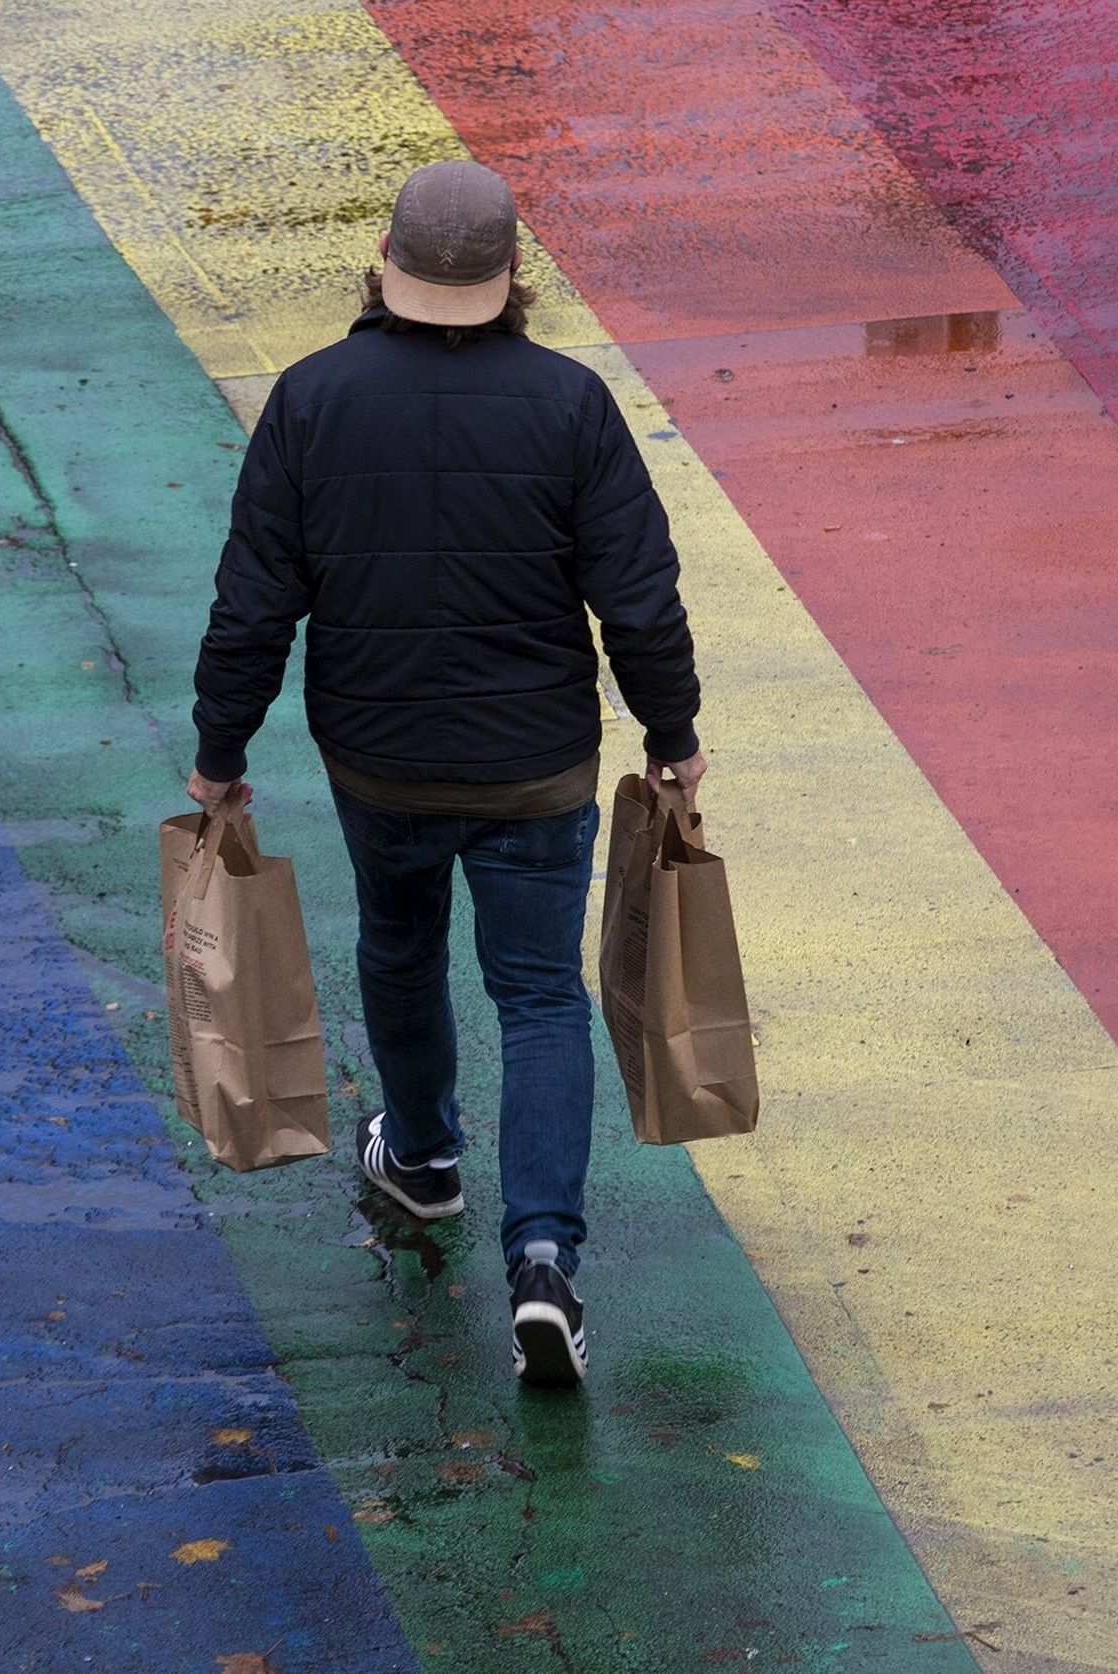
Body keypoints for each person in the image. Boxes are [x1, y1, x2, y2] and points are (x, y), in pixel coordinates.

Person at [184, 160, 702, 1387]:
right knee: (536, 992)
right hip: (535, 770)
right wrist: (672, 735)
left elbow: (256, 602)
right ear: (512, 277)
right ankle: (542, 1264)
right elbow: (637, 599)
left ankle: (418, 1159)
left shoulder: (310, 402)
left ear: (384, 264)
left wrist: (220, 752)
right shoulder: (570, 405)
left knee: (400, 946)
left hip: (381, 760)